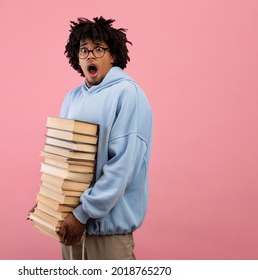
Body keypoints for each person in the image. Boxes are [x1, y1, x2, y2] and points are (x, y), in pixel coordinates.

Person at [58, 16, 153, 260]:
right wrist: (50, 202)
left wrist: (83, 213)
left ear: (113, 56)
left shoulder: (127, 94)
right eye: (84, 50)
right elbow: (62, 158)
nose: (90, 55)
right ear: (76, 57)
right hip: (70, 227)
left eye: (99, 49)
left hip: (108, 235)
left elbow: (122, 166)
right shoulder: (72, 98)